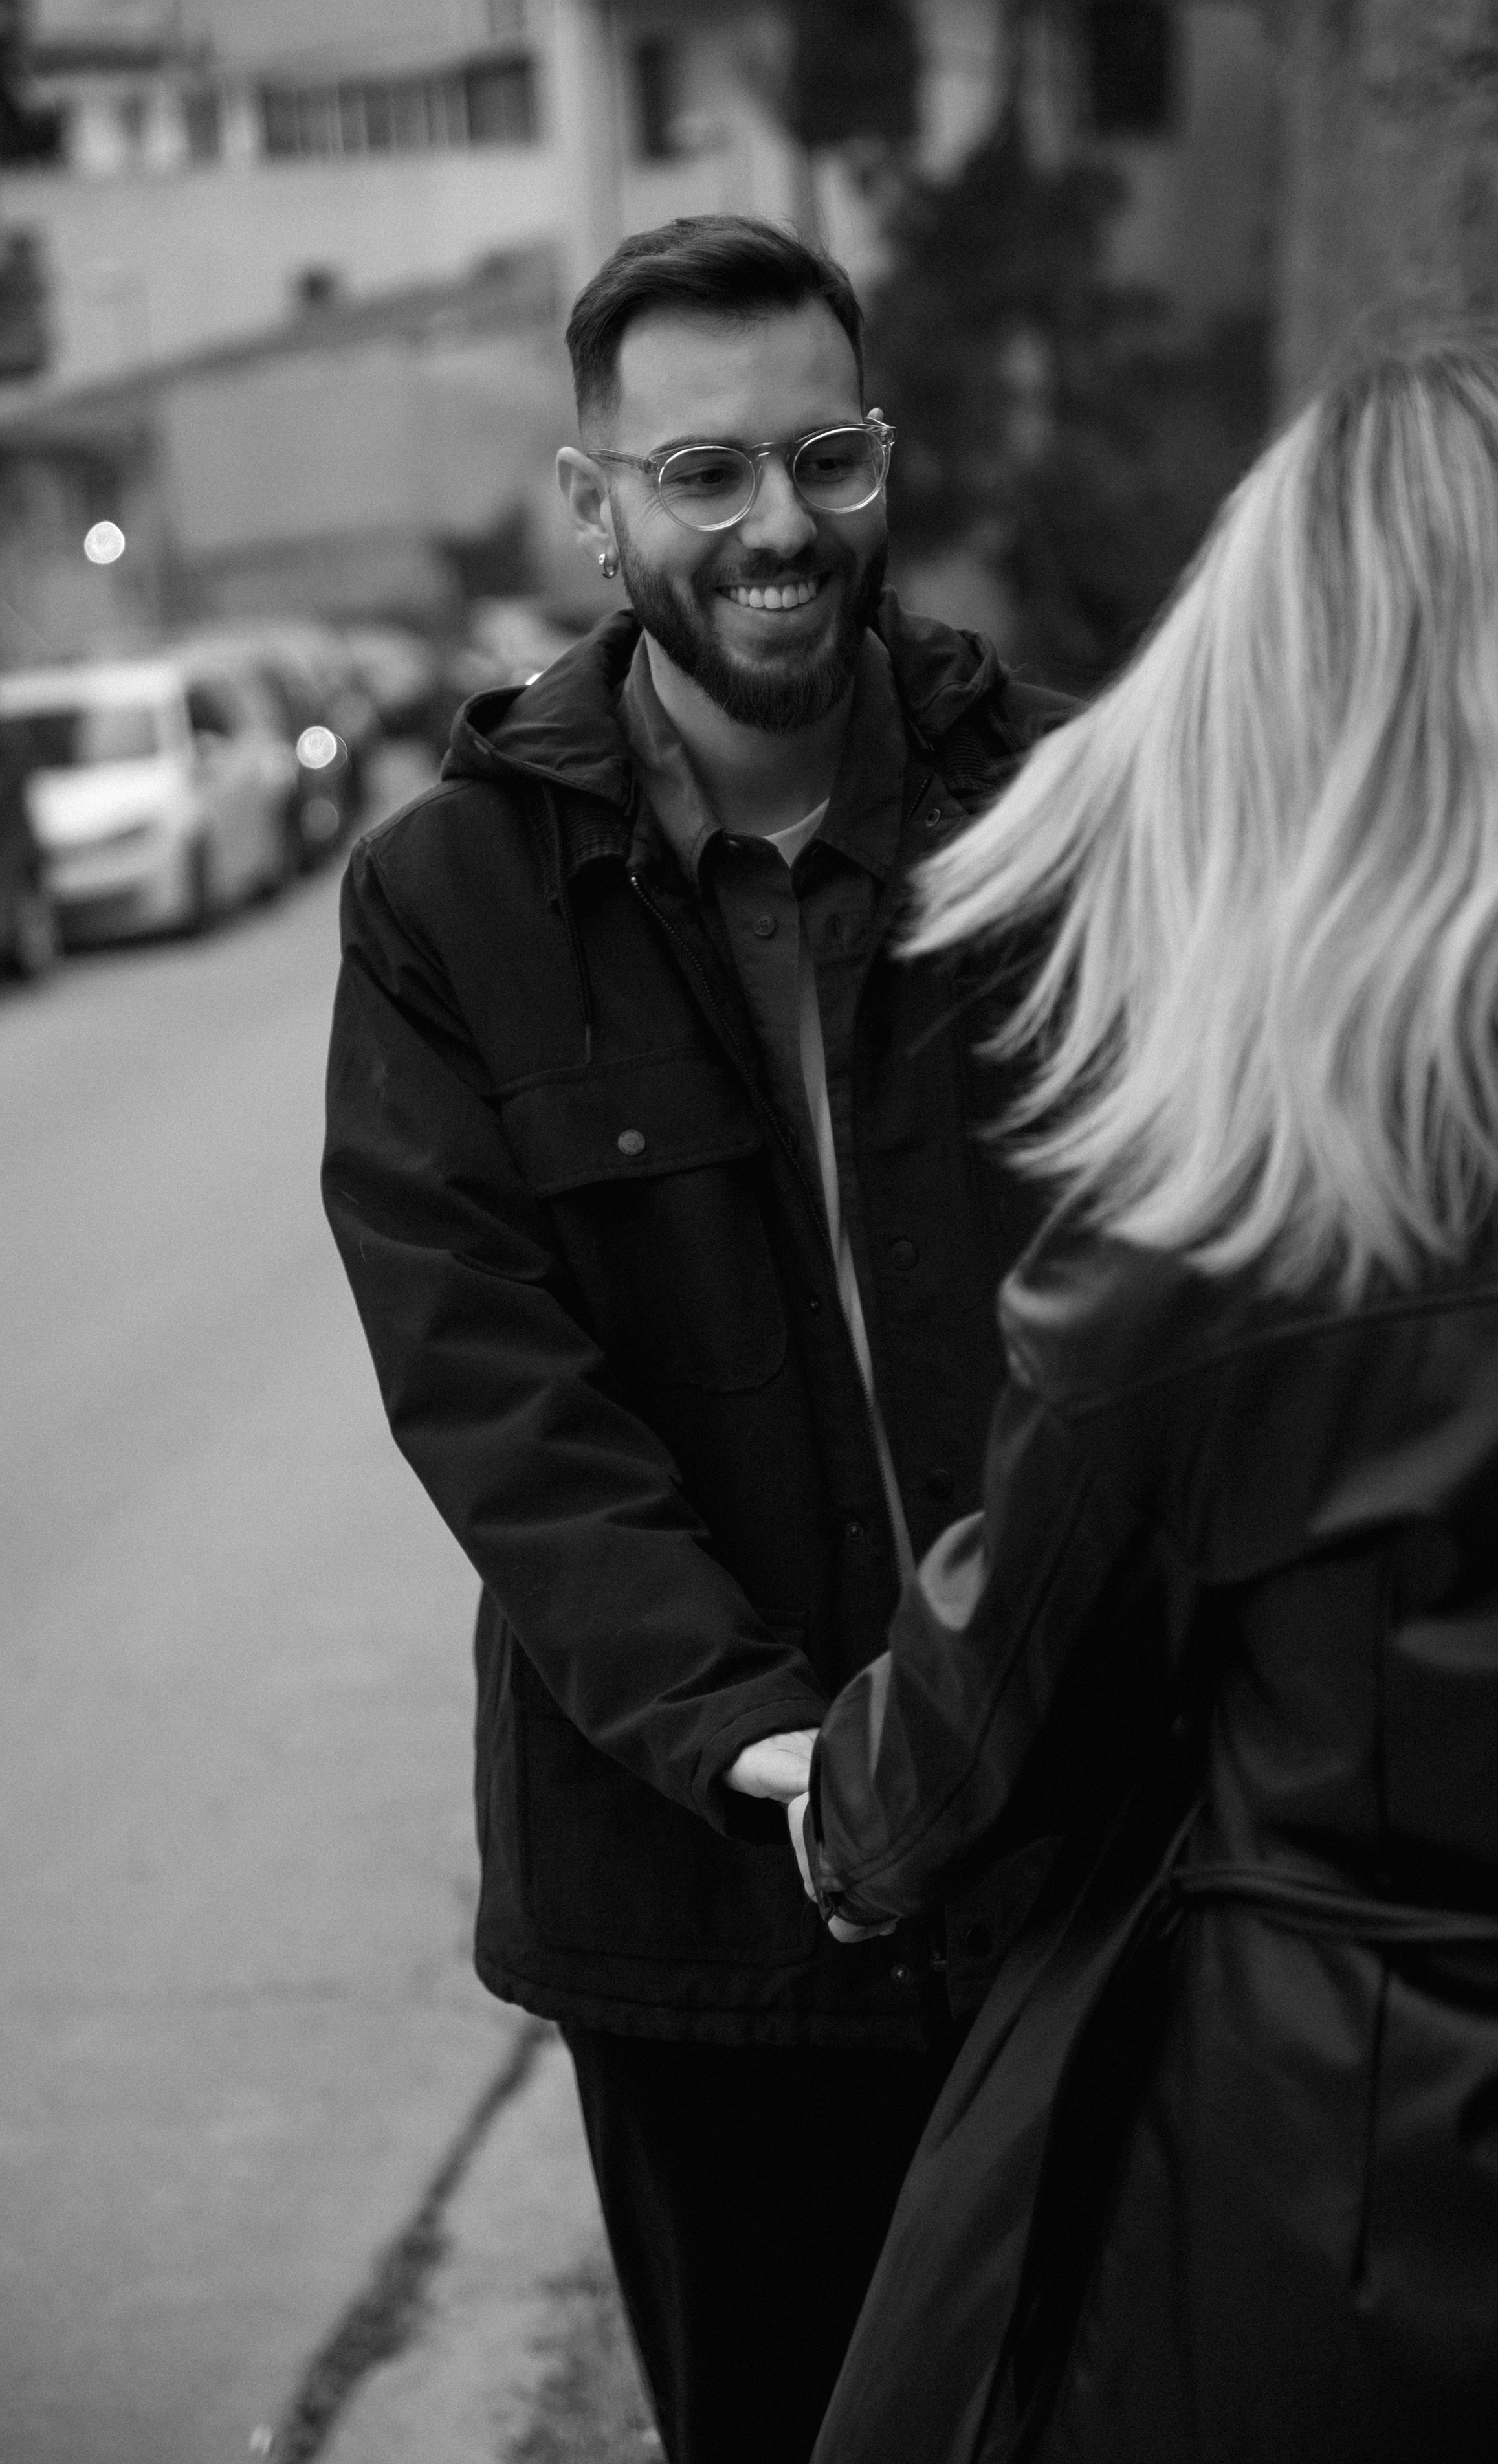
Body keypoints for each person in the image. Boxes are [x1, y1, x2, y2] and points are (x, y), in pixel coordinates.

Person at [794, 338, 1498, 2464]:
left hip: (1378, 2214)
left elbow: (995, 1703)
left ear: (1297, 702)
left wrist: (845, 1818)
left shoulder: (1236, 1226)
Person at [320, 213, 1068, 2464]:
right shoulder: (444, 899)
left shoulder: (1070, 809)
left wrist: (1037, 1712)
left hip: (1078, 1856)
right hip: (704, 1906)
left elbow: (1180, 1291)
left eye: (826, 461)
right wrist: (767, 1748)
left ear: (882, 456)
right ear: (597, 502)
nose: (778, 532)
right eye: (704, 474)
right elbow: (494, 1394)